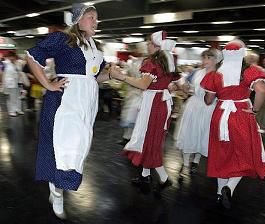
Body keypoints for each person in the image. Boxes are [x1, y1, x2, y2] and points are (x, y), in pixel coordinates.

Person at [26, 3, 110, 219]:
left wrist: (111, 75)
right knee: (63, 144)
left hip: (87, 103)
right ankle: (57, 192)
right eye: (92, 17)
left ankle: (58, 187)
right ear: (78, 20)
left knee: (80, 145)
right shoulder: (63, 40)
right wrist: (48, 84)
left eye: (96, 18)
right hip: (65, 101)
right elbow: (32, 56)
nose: (96, 21)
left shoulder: (95, 47)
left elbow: (94, 77)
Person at [201, 40, 265, 209]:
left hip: (220, 114)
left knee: (221, 154)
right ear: (242, 53)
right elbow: (261, 90)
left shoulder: (216, 72)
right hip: (241, 113)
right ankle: (229, 187)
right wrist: (254, 110)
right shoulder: (249, 71)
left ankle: (219, 193)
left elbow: (208, 100)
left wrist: (214, 93)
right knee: (245, 154)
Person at [110, 31, 179, 195]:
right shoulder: (167, 60)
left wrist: (122, 77)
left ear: (156, 46)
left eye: (148, 43)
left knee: (149, 140)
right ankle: (145, 177)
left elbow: (143, 85)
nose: (146, 45)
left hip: (154, 103)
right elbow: (172, 84)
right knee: (150, 138)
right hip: (160, 102)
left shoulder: (152, 61)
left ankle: (163, 178)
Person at [175, 48, 222, 181]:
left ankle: (195, 161)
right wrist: (184, 86)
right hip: (193, 106)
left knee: (202, 136)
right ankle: (184, 165)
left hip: (209, 109)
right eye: (204, 57)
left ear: (216, 60)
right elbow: (183, 82)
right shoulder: (196, 72)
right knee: (188, 135)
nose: (205, 60)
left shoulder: (219, 75)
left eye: (209, 58)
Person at [3, 51, 24, 117]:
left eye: (13, 56)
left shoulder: (17, 63)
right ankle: (12, 111)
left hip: (17, 82)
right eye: (10, 56)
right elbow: (3, 74)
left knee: (18, 96)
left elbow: (20, 72)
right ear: (8, 57)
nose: (12, 58)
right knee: (11, 97)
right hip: (9, 83)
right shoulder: (5, 63)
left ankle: (18, 109)